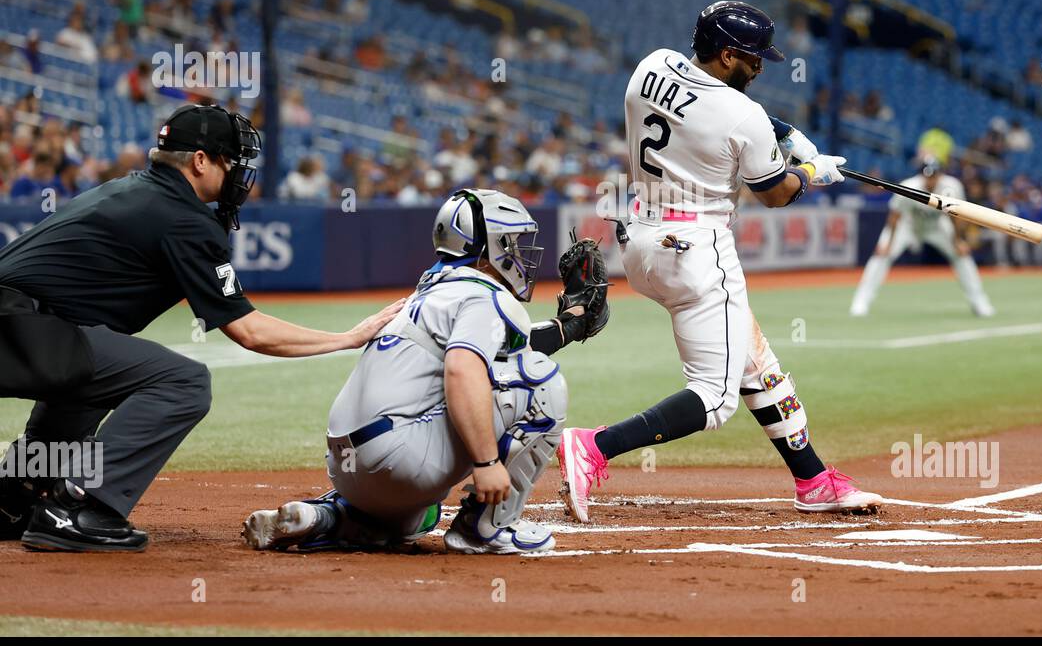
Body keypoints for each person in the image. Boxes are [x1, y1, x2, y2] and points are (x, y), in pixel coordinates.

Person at [0, 103, 404, 551]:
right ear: (199, 161)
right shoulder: (183, 217)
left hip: (26, 327)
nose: (236, 174)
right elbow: (249, 331)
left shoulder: (132, 190)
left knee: (92, 374)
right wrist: (348, 337)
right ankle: (80, 507)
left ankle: (11, 497)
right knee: (184, 382)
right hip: (22, 327)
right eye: (230, 161)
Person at [557, 1, 882, 524]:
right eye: (752, 59)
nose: (759, 67)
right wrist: (812, 171)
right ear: (728, 54)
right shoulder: (742, 116)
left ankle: (814, 480)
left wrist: (783, 131)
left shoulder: (652, 65)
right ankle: (594, 446)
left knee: (759, 366)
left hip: (639, 238)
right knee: (713, 399)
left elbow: (704, 105)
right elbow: (775, 194)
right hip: (695, 250)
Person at [242, 189, 611, 554]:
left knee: (419, 517)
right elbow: (463, 369)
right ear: (488, 247)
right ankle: (488, 528)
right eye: (510, 241)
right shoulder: (486, 295)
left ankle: (328, 515)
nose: (516, 251)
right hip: (400, 458)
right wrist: (485, 463)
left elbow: (501, 347)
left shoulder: (428, 291)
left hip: (349, 467)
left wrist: (569, 325)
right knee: (542, 382)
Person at [850, 156, 996, 317]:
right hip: (908, 225)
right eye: (928, 175)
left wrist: (958, 240)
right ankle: (861, 301)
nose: (931, 179)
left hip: (937, 226)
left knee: (962, 256)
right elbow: (894, 216)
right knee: (881, 255)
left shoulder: (952, 186)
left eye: (934, 175)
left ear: (940, 174)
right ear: (921, 175)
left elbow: (956, 216)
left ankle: (979, 302)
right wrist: (888, 243)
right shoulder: (909, 186)